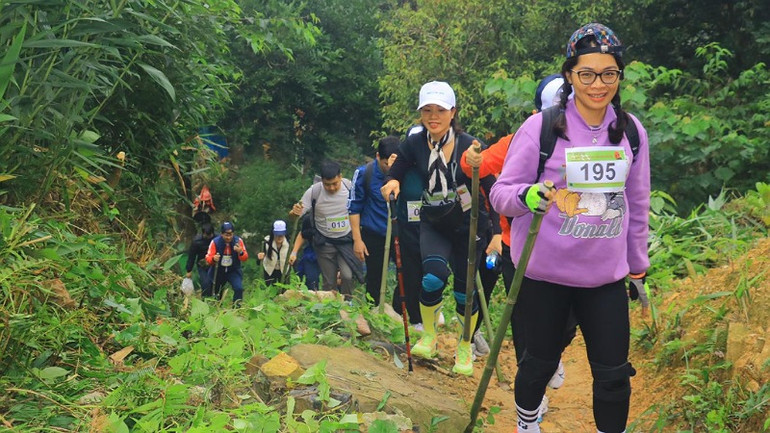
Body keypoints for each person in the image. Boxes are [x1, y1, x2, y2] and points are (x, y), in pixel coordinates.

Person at [489, 23, 650, 433]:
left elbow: (637, 202)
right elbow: (501, 194)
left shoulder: (631, 132)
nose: (598, 84)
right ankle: (527, 422)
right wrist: (527, 196)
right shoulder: (540, 128)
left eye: (608, 74)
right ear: (569, 75)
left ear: (619, 76)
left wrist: (637, 265)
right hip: (545, 275)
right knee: (538, 363)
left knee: (614, 374)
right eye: (587, 74)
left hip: (604, 277)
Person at [462, 74, 575, 394]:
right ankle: (531, 392)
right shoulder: (520, 139)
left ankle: (552, 355)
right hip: (520, 246)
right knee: (526, 316)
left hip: (572, 247)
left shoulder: (592, 142)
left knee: (568, 319)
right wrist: (470, 160)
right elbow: (478, 166)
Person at [381, 80, 495, 376]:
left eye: (440, 110)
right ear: (421, 114)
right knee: (432, 278)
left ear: (453, 112)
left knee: (463, 293)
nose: (434, 116)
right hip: (433, 221)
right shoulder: (415, 142)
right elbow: (399, 167)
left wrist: (495, 233)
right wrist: (392, 181)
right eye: (427, 110)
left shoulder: (470, 144)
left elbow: (490, 187)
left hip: (468, 225)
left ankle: (464, 345)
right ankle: (429, 336)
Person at [288, 161, 364, 298]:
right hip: (324, 242)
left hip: (346, 239)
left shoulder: (349, 187)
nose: (332, 188)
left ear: (340, 177)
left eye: (335, 183)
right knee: (329, 282)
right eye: (327, 185)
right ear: (322, 181)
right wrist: (294, 212)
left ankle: (347, 303)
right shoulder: (314, 191)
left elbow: (359, 208)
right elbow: (295, 217)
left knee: (347, 275)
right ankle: (329, 309)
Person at [348, 136, 400, 306]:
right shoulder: (364, 173)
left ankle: (401, 312)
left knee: (407, 275)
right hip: (374, 234)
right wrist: (357, 240)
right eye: (386, 163)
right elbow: (354, 207)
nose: (389, 167)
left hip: (400, 234)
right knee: (374, 280)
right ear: (378, 156)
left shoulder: (406, 173)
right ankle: (374, 314)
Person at [205, 221, 249, 304]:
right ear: (222, 234)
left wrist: (240, 252)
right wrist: (214, 259)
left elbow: (245, 257)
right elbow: (208, 257)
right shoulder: (215, 242)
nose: (228, 237)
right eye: (226, 235)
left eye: (230, 234)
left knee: (238, 288)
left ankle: (237, 307)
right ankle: (217, 308)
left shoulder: (238, 241)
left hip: (233, 270)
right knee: (217, 293)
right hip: (219, 270)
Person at [185, 222, 215, 294]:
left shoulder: (217, 239)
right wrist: (189, 270)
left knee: (215, 283)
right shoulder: (196, 241)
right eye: (206, 235)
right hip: (202, 265)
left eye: (209, 235)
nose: (208, 237)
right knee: (205, 283)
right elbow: (192, 256)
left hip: (214, 264)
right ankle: (205, 300)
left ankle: (217, 301)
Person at [258, 220, 290, 286]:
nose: (279, 237)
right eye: (277, 234)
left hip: (284, 270)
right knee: (271, 291)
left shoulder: (289, 243)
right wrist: (259, 257)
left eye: (281, 234)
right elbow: (259, 262)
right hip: (270, 270)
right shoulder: (266, 242)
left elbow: (294, 260)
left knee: (284, 291)